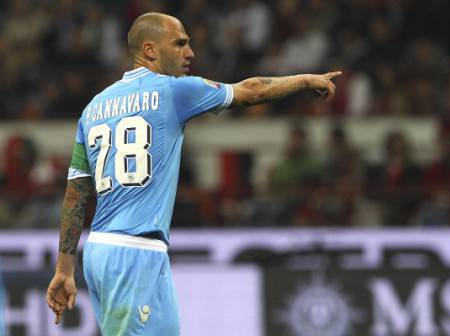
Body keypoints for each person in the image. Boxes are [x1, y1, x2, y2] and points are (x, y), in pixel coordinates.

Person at [46, 12, 341, 335]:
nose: (190, 53)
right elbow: (252, 90)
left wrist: (64, 268)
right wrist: (304, 80)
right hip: (134, 253)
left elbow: (76, 193)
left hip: (105, 250)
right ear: (150, 50)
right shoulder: (174, 91)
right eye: (180, 43)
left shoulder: (93, 109)